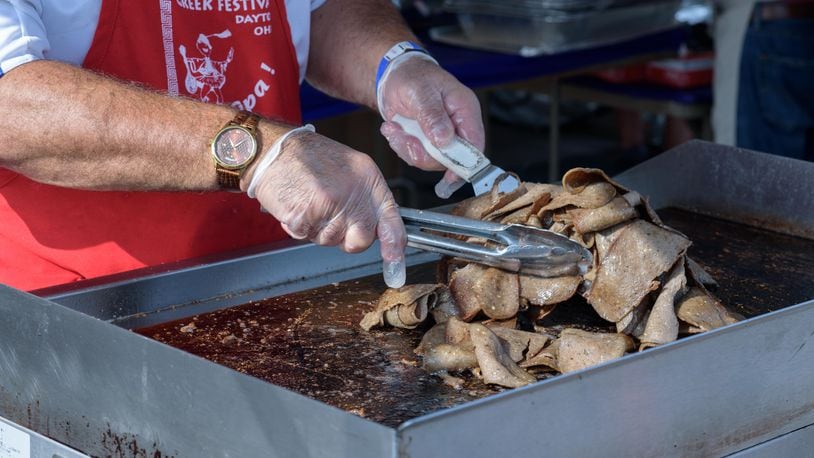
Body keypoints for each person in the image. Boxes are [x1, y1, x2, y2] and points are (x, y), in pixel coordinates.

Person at [0, 0, 484, 291]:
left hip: (260, 284)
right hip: (76, 311)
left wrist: (396, 65)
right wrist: (259, 154)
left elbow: (319, 8)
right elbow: (11, 104)